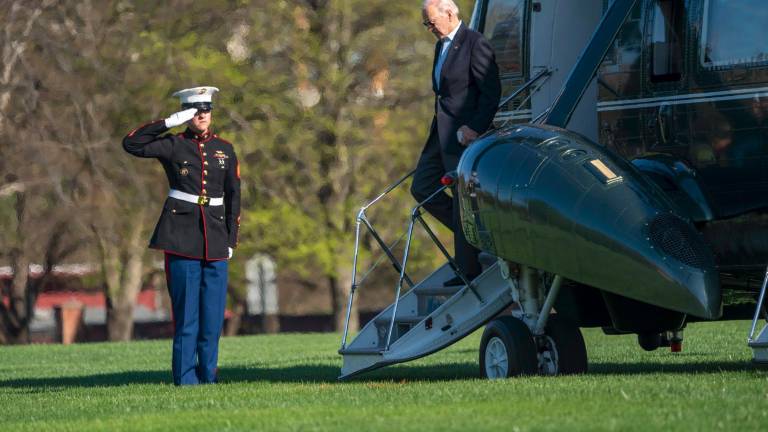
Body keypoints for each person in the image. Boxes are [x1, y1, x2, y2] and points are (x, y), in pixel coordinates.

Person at [123, 86, 241, 385]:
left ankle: (208, 376)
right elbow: (132, 143)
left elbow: (233, 196)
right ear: (187, 114)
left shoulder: (224, 149)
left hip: (215, 238)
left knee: (212, 318)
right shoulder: (173, 145)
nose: (203, 116)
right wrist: (168, 123)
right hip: (181, 237)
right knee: (187, 316)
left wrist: (231, 239)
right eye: (196, 111)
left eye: (206, 110)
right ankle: (186, 378)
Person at [411, 0, 501, 286]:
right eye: (426, 23)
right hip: (440, 134)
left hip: (463, 137)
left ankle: (468, 268)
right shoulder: (441, 45)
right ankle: (476, 235)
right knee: (422, 187)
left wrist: (474, 127)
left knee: (462, 199)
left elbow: (491, 92)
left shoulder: (475, 43)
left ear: (449, 13)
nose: (429, 29)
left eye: (431, 22)